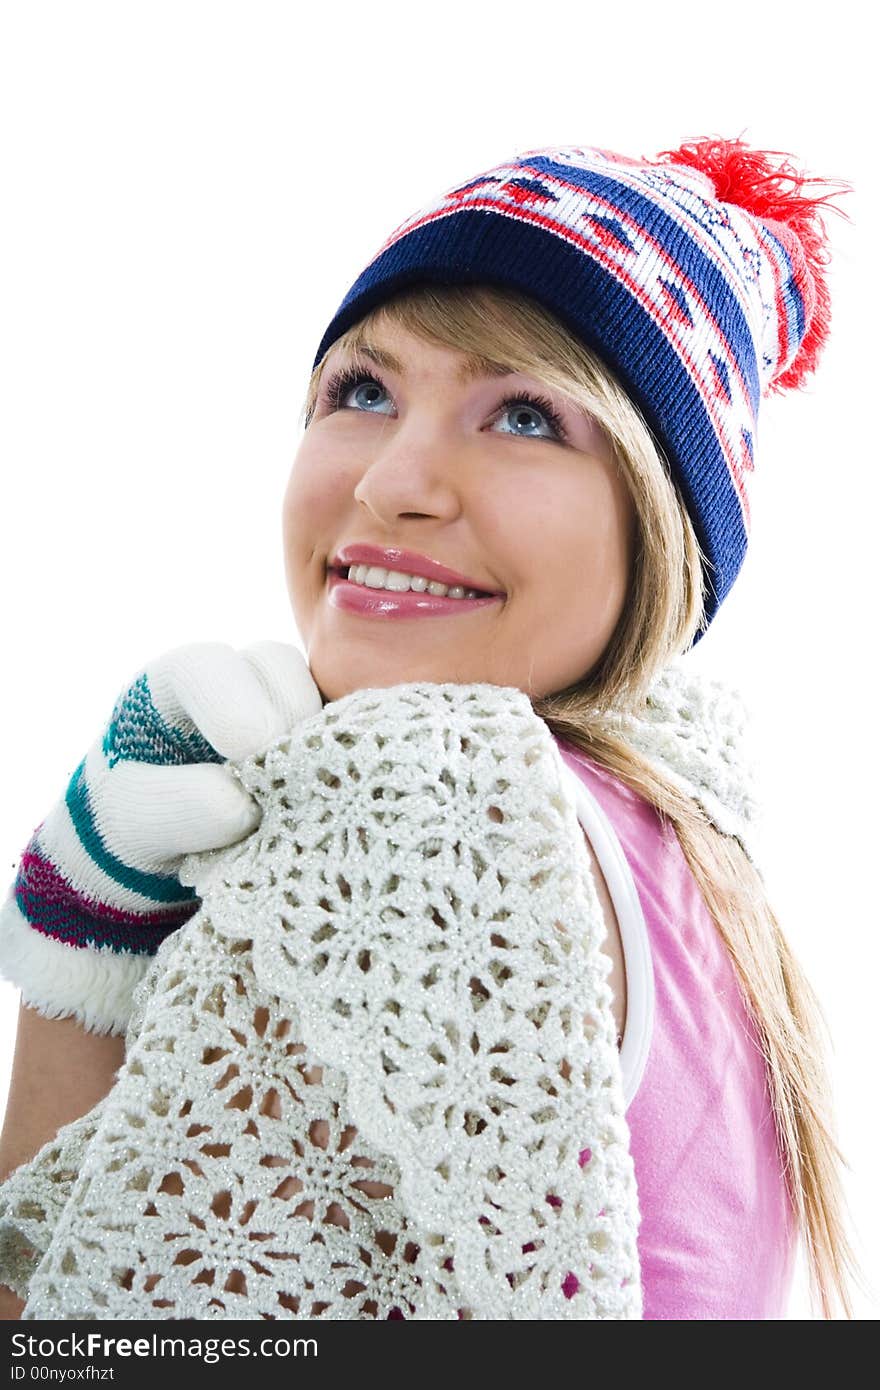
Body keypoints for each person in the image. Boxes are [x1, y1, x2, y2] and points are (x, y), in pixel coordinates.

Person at [0, 135, 864, 1320]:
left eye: (521, 415)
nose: (394, 481)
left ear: (661, 523)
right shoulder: (690, 835)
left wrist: (68, 953)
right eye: (361, 391)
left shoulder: (425, 800)